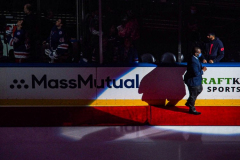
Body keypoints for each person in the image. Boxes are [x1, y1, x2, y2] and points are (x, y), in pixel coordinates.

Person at [184, 47, 207, 115]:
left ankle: (189, 102)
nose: (200, 54)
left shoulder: (195, 58)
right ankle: (192, 109)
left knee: (200, 89)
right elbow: (196, 73)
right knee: (193, 94)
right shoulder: (193, 61)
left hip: (196, 80)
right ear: (195, 53)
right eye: (199, 53)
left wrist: (200, 68)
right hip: (192, 80)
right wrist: (202, 70)